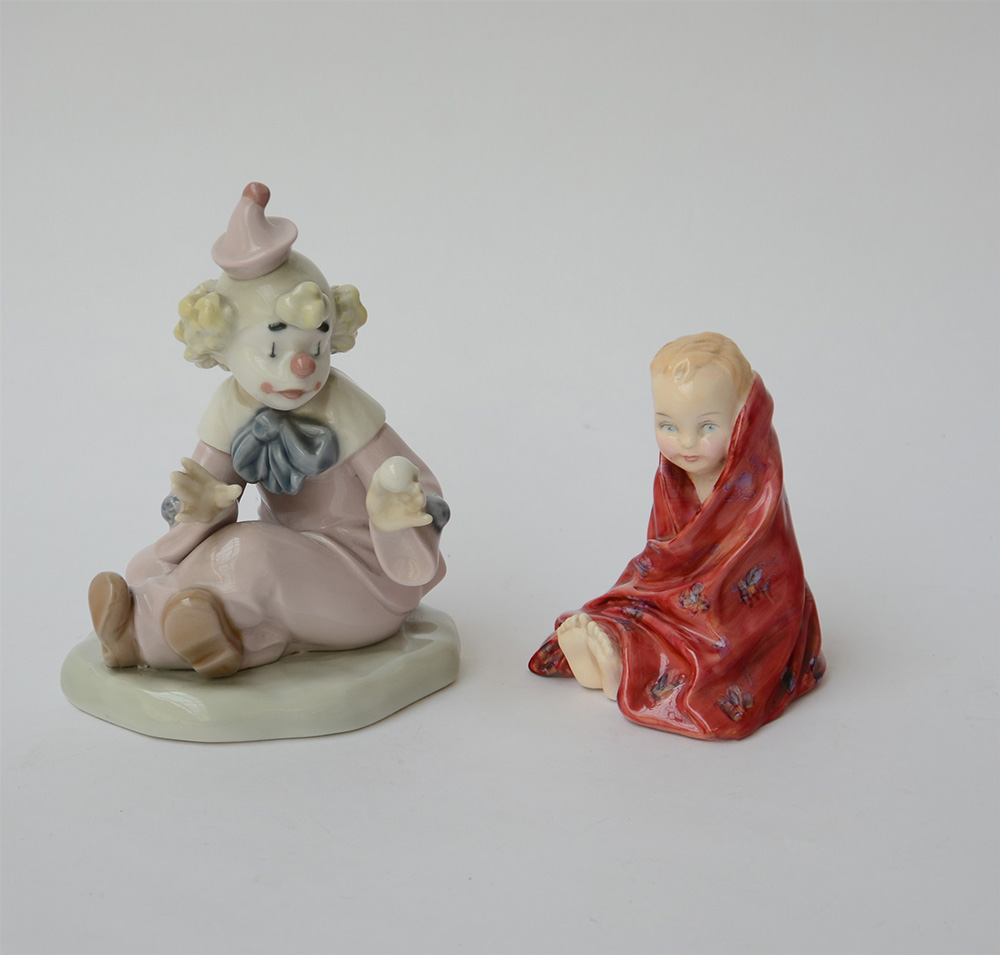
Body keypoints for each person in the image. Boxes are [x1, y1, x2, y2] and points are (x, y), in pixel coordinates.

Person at [88, 183, 448, 677]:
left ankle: (139, 635)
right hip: (300, 566)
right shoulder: (233, 407)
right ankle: (229, 637)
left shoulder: (347, 411)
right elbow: (199, 502)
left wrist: (394, 513)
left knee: (249, 554)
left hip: (364, 583)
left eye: (317, 347)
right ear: (222, 348)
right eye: (274, 351)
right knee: (148, 565)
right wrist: (204, 508)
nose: (302, 367)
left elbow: (421, 493)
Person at [529, 332, 824, 739]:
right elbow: (662, 558)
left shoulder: (758, 480)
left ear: (743, 417)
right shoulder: (673, 475)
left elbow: (756, 563)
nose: (686, 444)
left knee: (718, 647)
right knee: (632, 604)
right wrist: (659, 589)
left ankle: (630, 670)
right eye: (668, 425)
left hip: (740, 606)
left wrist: (693, 599)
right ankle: (620, 656)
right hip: (676, 590)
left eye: (707, 426)